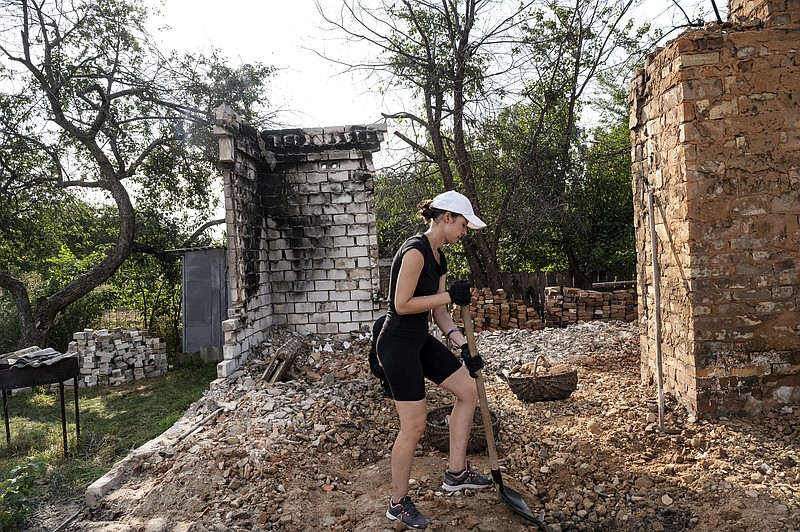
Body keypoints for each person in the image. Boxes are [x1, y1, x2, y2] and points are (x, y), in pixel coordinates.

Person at [376, 190, 492, 529]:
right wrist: (447, 294)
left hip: (420, 340)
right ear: (446, 218)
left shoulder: (440, 257)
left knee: (468, 391)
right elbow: (402, 304)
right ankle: (397, 503)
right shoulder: (414, 252)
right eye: (464, 225)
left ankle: (456, 472)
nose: (465, 232)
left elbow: (439, 313)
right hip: (397, 343)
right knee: (414, 425)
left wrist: (461, 345)